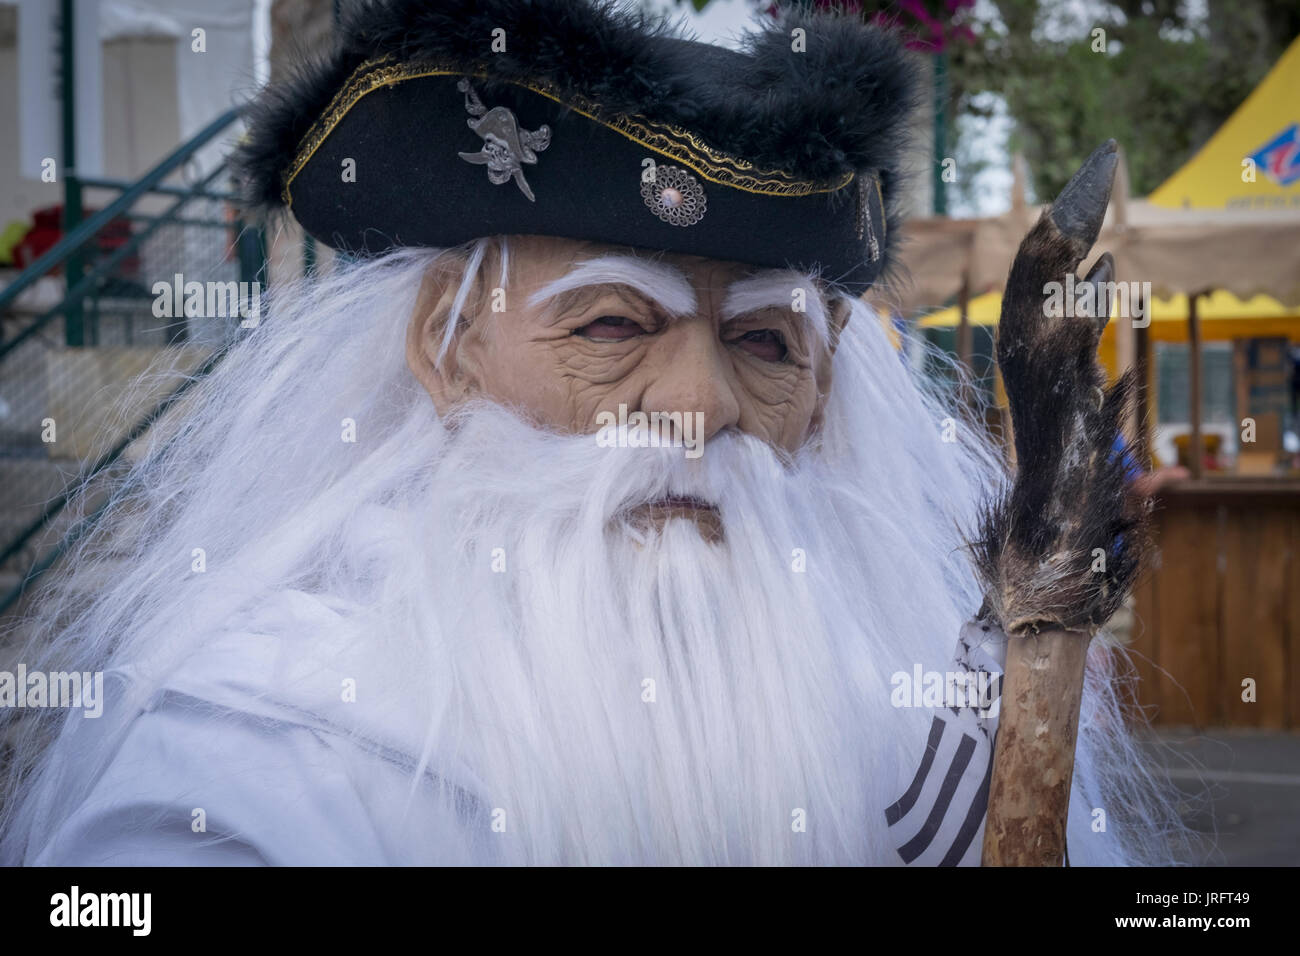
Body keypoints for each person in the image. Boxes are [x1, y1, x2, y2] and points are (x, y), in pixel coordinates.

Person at [0, 0, 1177, 865]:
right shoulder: (264, 758)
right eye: (615, 322)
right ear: (448, 349)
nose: (702, 403)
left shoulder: (920, 718)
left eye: (765, 343)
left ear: (821, 401)